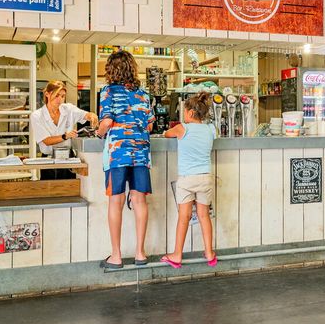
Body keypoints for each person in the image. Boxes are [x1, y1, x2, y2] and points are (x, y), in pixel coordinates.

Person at [98, 51, 153, 270]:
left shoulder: (108, 91)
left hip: (118, 154)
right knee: (139, 201)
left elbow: (106, 122)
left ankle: (116, 256)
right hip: (141, 153)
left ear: (111, 70)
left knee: (116, 201)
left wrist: (99, 132)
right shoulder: (143, 94)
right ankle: (140, 253)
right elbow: (150, 125)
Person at [160, 93, 218, 268]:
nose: (183, 114)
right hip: (205, 178)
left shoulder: (182, 128)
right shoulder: (210, 129)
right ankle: (209, 253)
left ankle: (177, 255)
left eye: (184, 111)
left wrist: (166, 131)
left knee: (184, 217)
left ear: (191, 112)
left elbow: (166, 134)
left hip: (187, 180)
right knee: (204, 215)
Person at [29, 81, 96, 180]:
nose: (59, 99)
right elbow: (46, 141)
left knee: (70, 187)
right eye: (56, 95)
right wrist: (65, 136)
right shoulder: (37, 116)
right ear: (47, 94)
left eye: (62, 96)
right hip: (49, 160)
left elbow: (85, 115)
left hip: (68, 159)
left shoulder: (68, 109)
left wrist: (92, 116)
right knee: (50, 188)